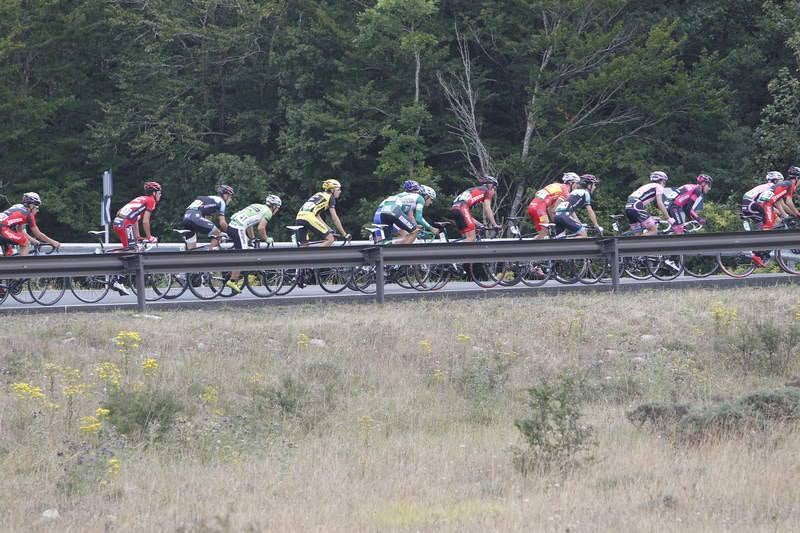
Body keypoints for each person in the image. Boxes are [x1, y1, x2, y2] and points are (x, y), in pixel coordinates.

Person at [224, 194, 282, 293]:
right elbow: (261, 228)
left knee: (244, 249)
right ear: (274, 206)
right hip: (238, 229)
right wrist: (266, 238)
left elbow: (249, 224)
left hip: (231, 226)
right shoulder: (268, 212)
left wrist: (252, 238)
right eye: (278, 208)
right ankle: (233, 281)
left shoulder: (257, 206)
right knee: (242, 255)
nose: (277, 210)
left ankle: (234, 273)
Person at [373, 185, 439, 245]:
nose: (431, 202)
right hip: (393, 210)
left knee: (388, 238)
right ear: (426, 196)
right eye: (431, 199)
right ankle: (404, 253)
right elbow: (419, 218)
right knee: (415, 231)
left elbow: (409, 216)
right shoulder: (420, 198)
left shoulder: (406, 196)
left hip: (383, 211)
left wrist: (414, 225)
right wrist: (432, 229)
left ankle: (383, 244)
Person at [294, 179, 349, 246]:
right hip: (308, 217)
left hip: (299, 217)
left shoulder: (319, 194)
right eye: (338, 190)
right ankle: (315, 256)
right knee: (330, 239)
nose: (340, 191)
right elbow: (335, 218)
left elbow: (317, 216)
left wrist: (329, 230)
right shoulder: (330, 197)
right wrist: (344, 234)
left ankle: (305, 256)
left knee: (304, 245)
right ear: (332, 190)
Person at [527, 173, 581, 239]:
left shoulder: (558, 186)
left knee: (544, 233)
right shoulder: (565, 191)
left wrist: (557, 224)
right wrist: (578, 224)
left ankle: (531, 245)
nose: (577, 186)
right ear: (570, 182)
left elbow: (551, 209)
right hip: (539, 210)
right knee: (544, 233)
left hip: (532, 207)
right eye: (576, 183)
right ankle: (528, 248)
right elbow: (568, 210)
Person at [450, 175, 501, 242]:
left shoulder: (473, 190)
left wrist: (479, 225)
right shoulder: (488, 191)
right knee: (471, 238)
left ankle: (458, 251)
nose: (494, 192)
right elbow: (488, 208)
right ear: (491, 186)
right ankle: (454, 251)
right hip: (462, 208)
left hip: (455, 209)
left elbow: (467, 215)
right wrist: (494, 224)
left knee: (466, 238)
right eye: (495, 189)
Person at [181, 184, 234, 250]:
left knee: (191, 249)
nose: (230, 200)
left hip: (186, 218)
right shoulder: (221, 202)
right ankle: (210, 255)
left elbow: (207, 221)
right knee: (219, 234)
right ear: (225, 195)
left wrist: (210, 233)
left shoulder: (210, 199)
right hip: (195, 217)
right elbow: (222, 223)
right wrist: (232, 234)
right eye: (230, 197)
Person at [112, 181, 162, 249]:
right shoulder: (151, 200)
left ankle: (113, 258)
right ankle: (110, 259)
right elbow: (145, 221)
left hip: (117, 223)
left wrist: (137, 236)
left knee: (130, 250)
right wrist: (149, 237)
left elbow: (135, 218)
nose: (160, 195)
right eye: (159, 193)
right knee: (131, 251)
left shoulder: (141, 198)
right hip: (125, 224)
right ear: (154, 193)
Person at [624, 171, 673, 236]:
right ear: (662, 181)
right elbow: (660, 203)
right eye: (665, 182)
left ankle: (631, 245)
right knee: (653, 231)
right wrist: (668, 218)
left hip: (629, 207)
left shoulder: (647, 186)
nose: (665, 184)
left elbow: (638, 204)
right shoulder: (658, 186)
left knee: (637, 235)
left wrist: (650, 217)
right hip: (636, 207)